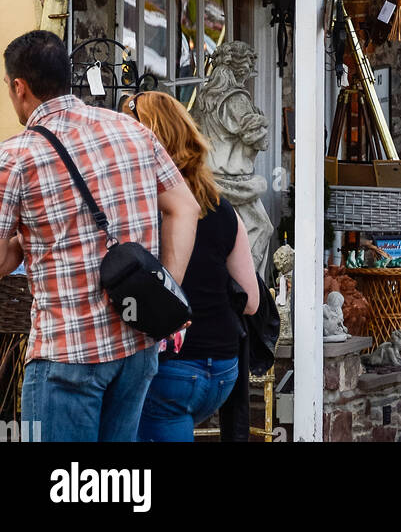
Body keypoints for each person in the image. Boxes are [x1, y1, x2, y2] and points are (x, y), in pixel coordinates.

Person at [0, 30, 199, 442]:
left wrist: (23, 245)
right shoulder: (131, 131)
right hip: (137, 343)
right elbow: (185, 208)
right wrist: (166, 290)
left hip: (67, 351)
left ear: (20, 87)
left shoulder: (15, 157)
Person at [124, 92, 260, 442]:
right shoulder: (222, 207)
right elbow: (251, 301)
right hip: (224, 369)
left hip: (174, 368)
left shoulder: (144, 208)